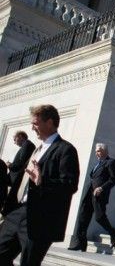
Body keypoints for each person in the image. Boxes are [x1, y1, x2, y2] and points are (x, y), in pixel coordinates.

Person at [0, 104, 80, 266]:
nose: (32, 128)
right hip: (17, 212)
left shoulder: (66, 150)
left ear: (49, 122)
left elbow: (70, 185)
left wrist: (43, 181)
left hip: (40, 218)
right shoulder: (36, 149)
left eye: (35, 124)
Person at [68, 143, 115, 252]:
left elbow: (114, 179)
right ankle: (80, 243)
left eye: (99, 151)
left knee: (99, 217)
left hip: (99, 195)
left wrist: (102, 188)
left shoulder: (111, 162)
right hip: (89, 193)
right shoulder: (97, 164)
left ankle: (112, 232)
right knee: (83, 217)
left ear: (105, 151)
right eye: (96, 151)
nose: (96, 153)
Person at [2, 131, 36, 216]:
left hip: (17, 178)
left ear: (20, 136)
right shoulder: (26, 146)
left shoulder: (27, 145)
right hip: (15, 178)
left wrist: (10, 165)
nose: (14, 142)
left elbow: (20, 163)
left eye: (15, 139)